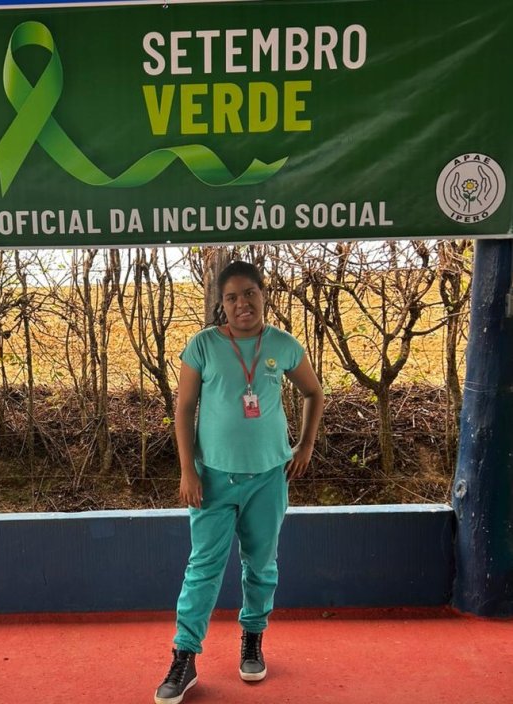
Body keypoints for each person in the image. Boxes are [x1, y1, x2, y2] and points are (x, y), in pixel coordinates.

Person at [154, 260, 324, 704]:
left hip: (268, 478)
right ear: (220, 304)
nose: (241, 303)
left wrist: (305, 446)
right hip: (211, 479)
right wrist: (188, 469)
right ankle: (185, 656)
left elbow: (314, 392)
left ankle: (252, 638)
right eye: (231, 297)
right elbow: (184, 409)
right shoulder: (203, 346)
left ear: (263, 294)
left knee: (261, 564)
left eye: (249, 293)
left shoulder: (282, 345)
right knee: (203, 569)